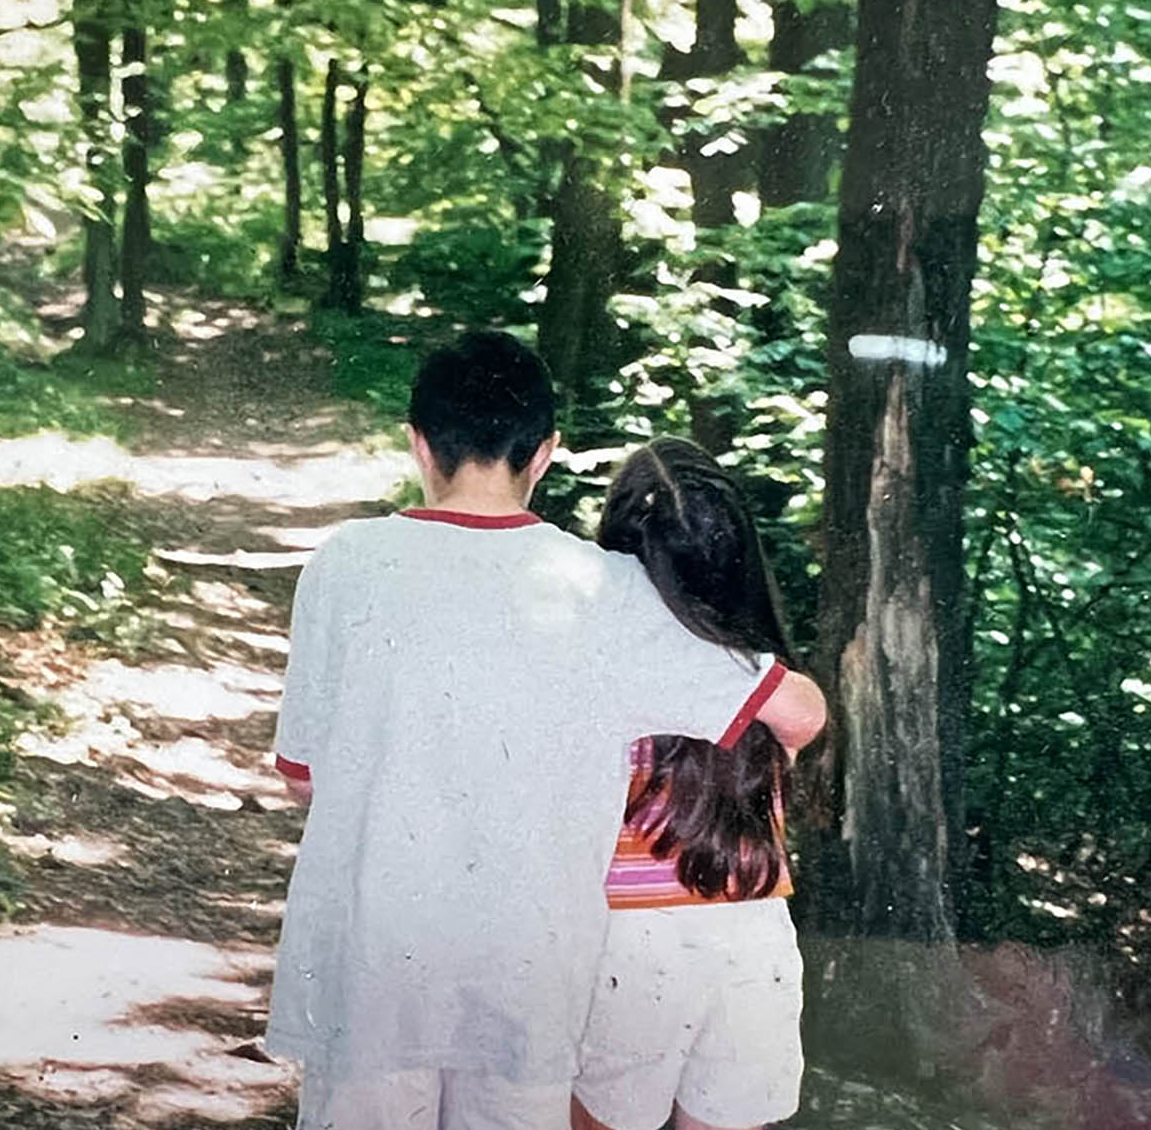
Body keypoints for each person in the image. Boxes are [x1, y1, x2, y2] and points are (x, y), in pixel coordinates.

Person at [268, 331, 828, 1130]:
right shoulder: (608, 589)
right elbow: (797, 714)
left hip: (370, 968)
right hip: (531, 981)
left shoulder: (345, 563)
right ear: (547, 452)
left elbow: (302, 775)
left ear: (418, 441)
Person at [571, 438, 817, 1130]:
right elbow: (808, 721)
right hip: (752, 934)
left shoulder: (595, 662)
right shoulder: (758, 674)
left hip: (629, 942)